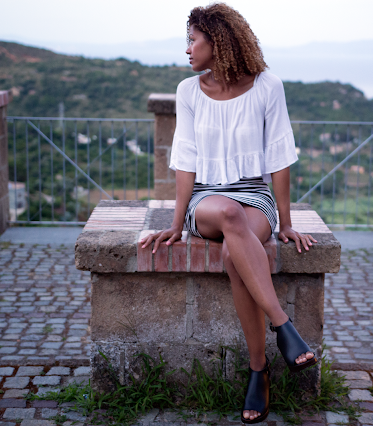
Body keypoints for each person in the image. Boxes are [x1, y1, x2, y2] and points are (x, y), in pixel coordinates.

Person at [140, 3, 318, 423]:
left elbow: (279, 158)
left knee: (234, 256)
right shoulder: (188, 91)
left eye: (193, 40)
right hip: (207, 200)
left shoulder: (268, 86)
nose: (187, 49)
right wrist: (176, 224)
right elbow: (185, 161)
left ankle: (258, 371)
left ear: (217, 42)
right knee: (231, 217)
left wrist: (286, 223)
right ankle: (283, 326)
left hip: (255, 195)